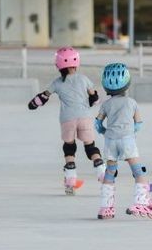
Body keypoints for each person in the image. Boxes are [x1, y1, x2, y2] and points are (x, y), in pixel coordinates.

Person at [28, 47, 105, 195]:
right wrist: (90, 101)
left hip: (67, 119)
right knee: (91, 147)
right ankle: (101, 173)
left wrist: (33, 104)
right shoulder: (84, 79)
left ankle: (70, 180)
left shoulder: (56, 83)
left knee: (69, 148)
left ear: (58, 65)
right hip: (85, 118)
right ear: (76, 63)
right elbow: (95, 99)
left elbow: (43, 97)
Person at [94, 63, 152, 220]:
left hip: (110, 141)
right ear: (127, 84)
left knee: (110, 173)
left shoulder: (105, 104)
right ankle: (141, 201)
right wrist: (131, 133)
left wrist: (106, 132)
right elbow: (138, 124)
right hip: (127, 140)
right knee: (138, 171)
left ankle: (106, 208)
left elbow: (97, 124)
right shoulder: (131, 103)